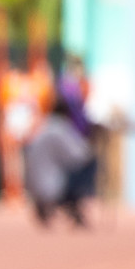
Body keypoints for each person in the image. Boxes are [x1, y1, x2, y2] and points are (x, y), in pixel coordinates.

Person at [23, 97, 96, 227]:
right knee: (89, 165)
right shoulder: (60, 128)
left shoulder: (44, 126)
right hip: (52, 187)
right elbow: (79, 156)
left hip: (34, 188)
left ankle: (45, 205)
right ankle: (74, 203)